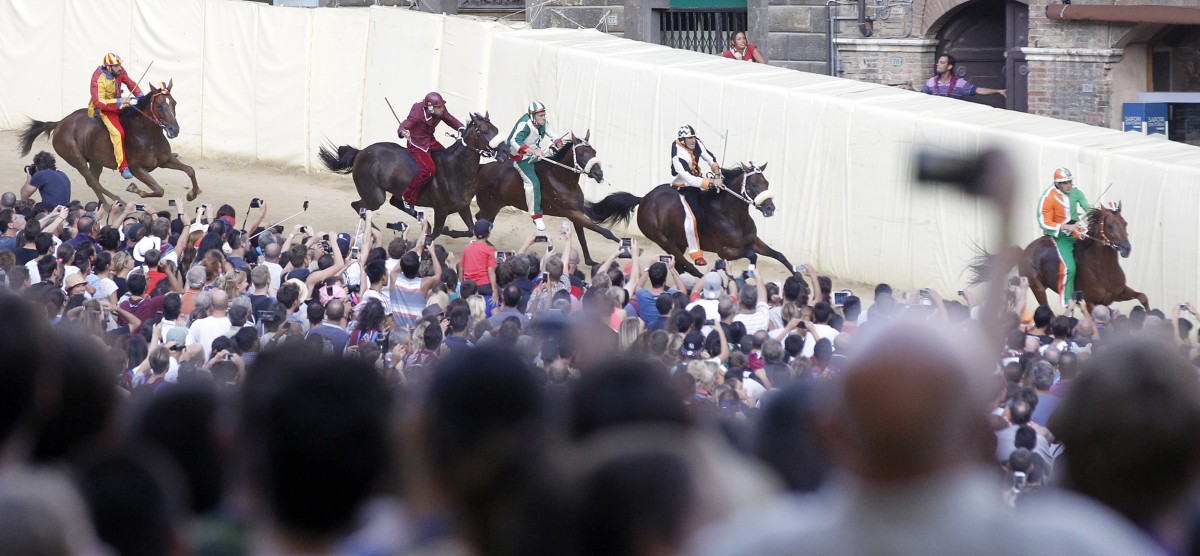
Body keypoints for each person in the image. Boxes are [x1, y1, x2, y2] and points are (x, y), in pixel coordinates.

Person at [397, 92, 464, 217]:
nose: (442, 109)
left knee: (447, 160)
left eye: (441, 106)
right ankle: (408, 197)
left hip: (429, 140)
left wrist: (462, 128)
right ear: (431, 108)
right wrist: (402, 132)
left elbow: (449, 118)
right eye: (439, 107)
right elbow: (406, 124)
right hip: (417, 143)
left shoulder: (440, 109)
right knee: (428, 170)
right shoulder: (417, 112)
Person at [506, 101, 564, 231]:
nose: (543, 117)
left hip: (535, 152)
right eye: (541, 116)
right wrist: (533, 151)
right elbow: (514, 141)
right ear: (533, 116)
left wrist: (558, 141)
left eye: (544, 115)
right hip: (521, 157)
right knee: (532, 184)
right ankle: (536, 215)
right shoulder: (525, 125)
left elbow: (549, 131)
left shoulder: (542, 122)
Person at [669, 124, 721, 266]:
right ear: (682, 140)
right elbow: (689, 179)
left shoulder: (696, 143)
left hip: (700, 181)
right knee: (692, 218)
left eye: (693, 137)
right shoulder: (678, 156)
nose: (693, 140)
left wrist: (717, 172)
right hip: (684, 187)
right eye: (689, 138)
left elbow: (708, 157)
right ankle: (695, 253)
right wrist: (711, 183)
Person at [1037, 167, 1088, 307]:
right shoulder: (1048, 198)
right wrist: (1065, 227)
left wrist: (1093, 215)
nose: (1069, 185)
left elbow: (1087, 208)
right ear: (1057, 183)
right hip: (1061, 236)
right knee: (1070, 268)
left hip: (1077, 230)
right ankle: (1067, 302)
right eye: (1065, 183)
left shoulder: (1076, 191)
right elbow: (1043, 222)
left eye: (1070, 182)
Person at [88, 53, 143, 180]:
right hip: (105, 109)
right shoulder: (98, 79)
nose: (120, 68)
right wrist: (119, 102)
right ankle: (122, 167)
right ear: (108, 67)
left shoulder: (119, 71)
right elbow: (98, 102)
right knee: (119, 134)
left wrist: (140, 96)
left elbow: (130, 83)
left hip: (119, 103)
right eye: (116, 66)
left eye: (120, 65)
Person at [921, 54, 1005, 100]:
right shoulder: (931, 81)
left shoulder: (959, 83)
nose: (938, 64)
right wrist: (911, 90)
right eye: (938, 62)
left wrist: (998, 91)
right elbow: (921, 95)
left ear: (949, 67)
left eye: (942, 63)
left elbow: (978, 90)